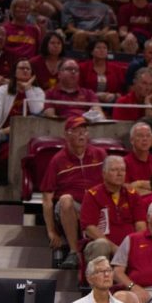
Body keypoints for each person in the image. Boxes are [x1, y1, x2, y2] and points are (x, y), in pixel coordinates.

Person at [43, 115, 108, 269]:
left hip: (97, 206)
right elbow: (47, 198)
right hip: (72, 207)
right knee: (66, 199)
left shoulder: (100, 154)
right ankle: (73, 252)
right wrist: (51, 231)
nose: (81, 134)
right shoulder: (57, 160)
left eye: (84, 130)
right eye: (76, 130)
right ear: (66, 134)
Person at [80, 156, 143, 264]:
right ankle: (97, 279)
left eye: (122, 170)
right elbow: (90, 228)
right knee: (101, 244)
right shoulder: (92, 195)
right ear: (104, 173)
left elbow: (140, 224)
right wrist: (115, 249)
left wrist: (138, 245)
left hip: (128, 246)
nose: (120, 173)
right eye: (114, 170)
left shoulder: (133, 194)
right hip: (101, 245)